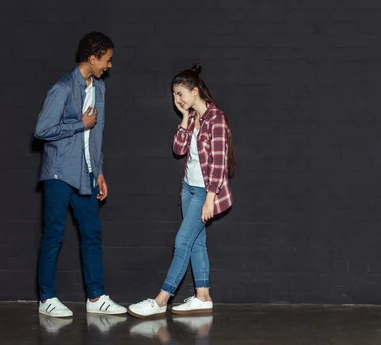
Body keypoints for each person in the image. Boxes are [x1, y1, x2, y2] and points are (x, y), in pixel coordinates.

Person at [128, 63, 235, 318]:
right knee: (196, 243)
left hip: (203, 192)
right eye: (174, 95)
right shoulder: (195, 117)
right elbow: (178, 150)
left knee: (182, 242)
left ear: (195, 91)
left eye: (180, 94)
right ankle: (203, 296)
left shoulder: (216, 118)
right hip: (188, 189)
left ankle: (161, 300)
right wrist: (186, 118)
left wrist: (210, 198)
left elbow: (219, 164)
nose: (177, 99)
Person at [34, 31, 126, 317]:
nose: (109, 66)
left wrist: (98, 172)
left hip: (85, 172)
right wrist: (79, 124)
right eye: (107, 60)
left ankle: (96, 298)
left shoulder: (99, 89)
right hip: (60, 172)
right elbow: (42, 130)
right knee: (54, 234)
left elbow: (96, 134)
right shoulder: (62, 88)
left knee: (92, 234)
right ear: (92, 58)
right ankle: (46, 298)